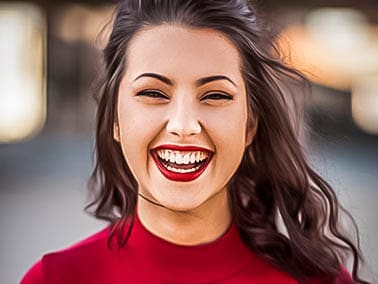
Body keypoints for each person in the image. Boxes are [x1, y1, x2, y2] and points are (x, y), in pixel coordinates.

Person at [21, 0, 369, 283]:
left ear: (250, 126)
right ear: (114, 118)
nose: (184, 126)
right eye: (154, 93)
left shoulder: (320, 282)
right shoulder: (56, 278)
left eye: (215, 95)